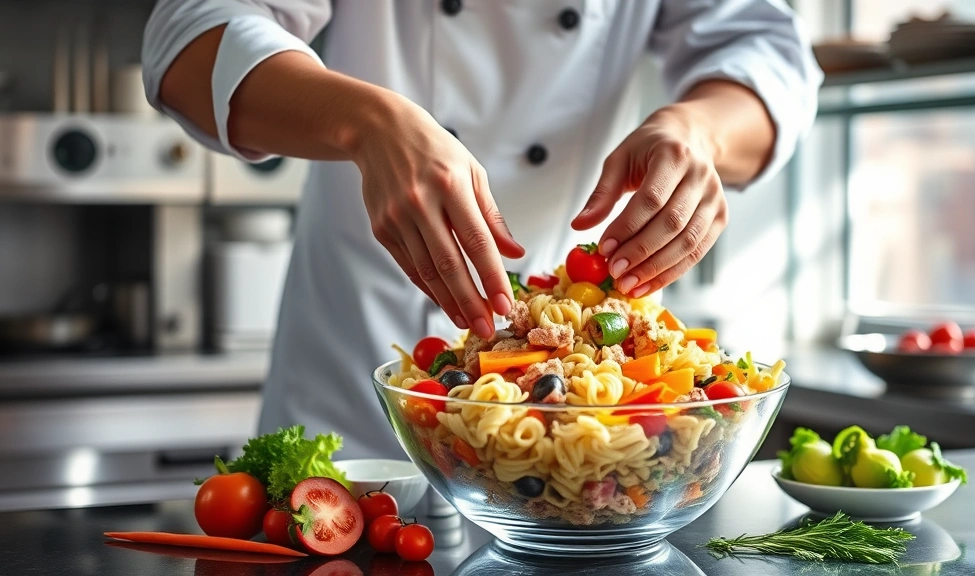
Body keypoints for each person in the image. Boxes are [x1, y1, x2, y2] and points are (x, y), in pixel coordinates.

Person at [142, 0, 821, 459]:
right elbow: (188, 33)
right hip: (351, 382)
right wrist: (364, 122)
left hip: (577, 429)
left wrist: (700, 131)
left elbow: (768, 54)